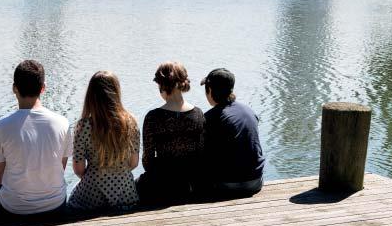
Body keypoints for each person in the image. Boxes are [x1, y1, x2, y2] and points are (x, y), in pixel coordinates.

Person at [0, 60, 73, 220]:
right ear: (43, 88)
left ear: (14, 88)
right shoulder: (63, 123)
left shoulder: (1, 127)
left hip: (15, 209)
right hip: (55, 205)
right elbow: (60, 168)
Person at [68, 71, 140, 212]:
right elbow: (133, 163)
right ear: (116, 93)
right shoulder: (131, 123)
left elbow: (78, 169)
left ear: (91, 96)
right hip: (126, 194)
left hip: (91, 196)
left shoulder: (84, 126)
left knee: (71, 203)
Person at [136, 61, 205, 205]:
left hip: (163, 184)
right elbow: (201, 153)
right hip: (192, 184)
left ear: (161, 86)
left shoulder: (153, 117)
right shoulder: (198, 114)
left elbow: (147, 160)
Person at [200, 68, 266, 198]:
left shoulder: (210, 117)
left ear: (210, 91)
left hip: (227, 185)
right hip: (256, 181)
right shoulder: (249, 111)